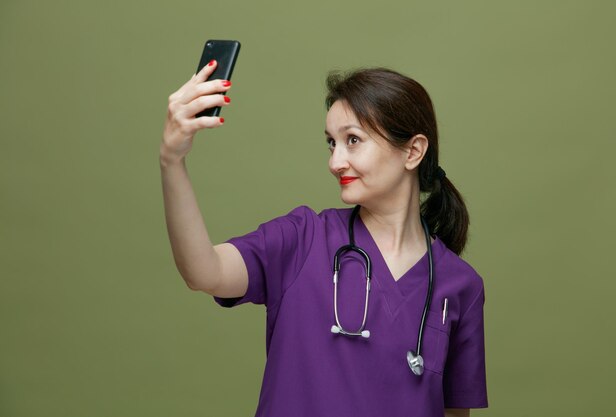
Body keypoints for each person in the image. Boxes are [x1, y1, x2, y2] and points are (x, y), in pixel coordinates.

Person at [160, 61, 488, 417]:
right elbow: (204, 272)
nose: (335, 161)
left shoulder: (459, 285)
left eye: (352, 140)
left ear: (412, 151)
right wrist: (171, 161)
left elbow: (454, 413)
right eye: (332, 143)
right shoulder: (303, 238)